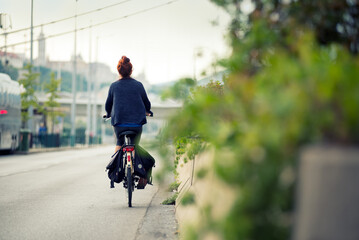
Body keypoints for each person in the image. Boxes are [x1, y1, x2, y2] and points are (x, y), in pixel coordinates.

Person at [104, 56, 152, 153]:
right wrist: (148, 111)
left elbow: (108, 104)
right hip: (137, 124)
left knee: (119, 142)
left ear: (119, 71)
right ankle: (135, 166)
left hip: (119, 124)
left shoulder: (114, 86)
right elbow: (146, 102)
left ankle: (114, 167)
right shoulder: (139, 85)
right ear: (131, 71)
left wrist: (108, 114)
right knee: (135, 144)